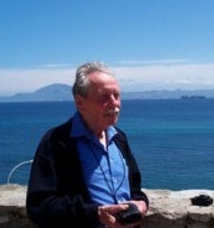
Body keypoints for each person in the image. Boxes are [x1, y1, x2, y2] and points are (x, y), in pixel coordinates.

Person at [26, 62, 148, 228]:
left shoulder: (119, 138)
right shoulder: (57, 142)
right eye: (104, 97)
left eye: (117, 95)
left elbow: (135, 189)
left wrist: (141, 203)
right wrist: (95, 214)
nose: (114, 103)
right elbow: (39, 206)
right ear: (80, 103)